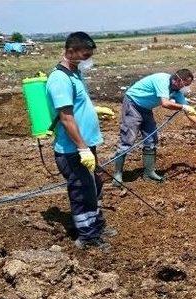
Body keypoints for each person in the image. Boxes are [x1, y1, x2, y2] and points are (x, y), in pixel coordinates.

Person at [46, 31, 114, 250]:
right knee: (81, 190)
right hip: (73, 149)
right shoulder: (59, 79)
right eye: (85, 55)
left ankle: (97, 226)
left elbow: (76, 107)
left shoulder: (75, 74)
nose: (88, 59)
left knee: (94, 185)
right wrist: (83, 148)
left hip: (85, 145)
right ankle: (87, 237)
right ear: (70, 51)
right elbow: (66, 118)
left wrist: (94, 111)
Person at [112, 69, 196, 184]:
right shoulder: (162, 80)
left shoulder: (176, 91)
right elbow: (165, 103)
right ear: (178, 80)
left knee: (151, 139)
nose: (186, 88)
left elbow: (189, 111)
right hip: (133, 103)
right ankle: (117, 174)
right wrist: (183, 107)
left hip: (146, 108)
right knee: (128, 139)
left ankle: (149, 173)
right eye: (186, 85)